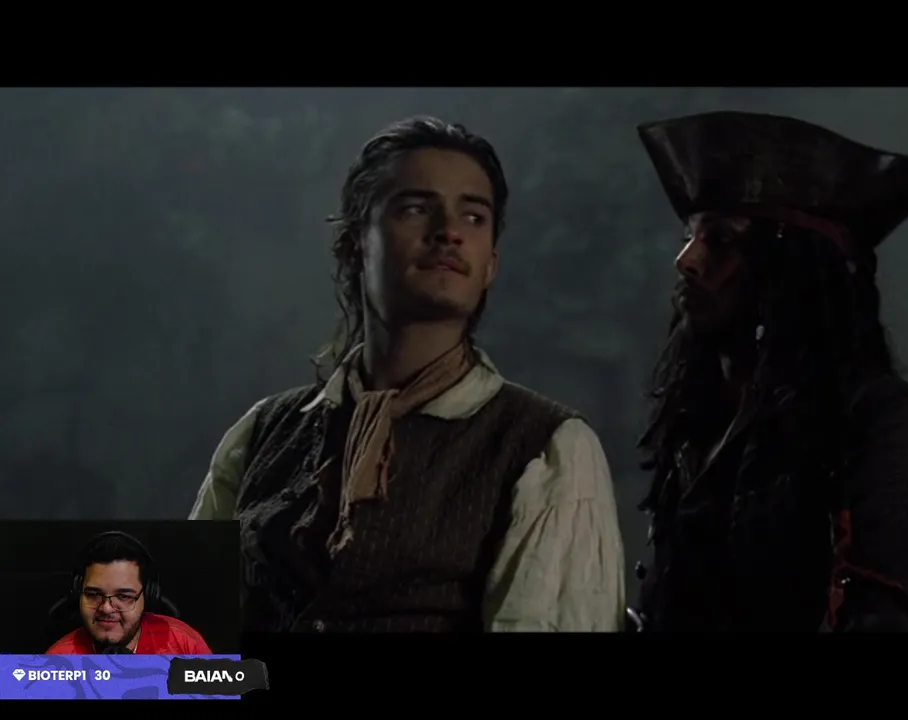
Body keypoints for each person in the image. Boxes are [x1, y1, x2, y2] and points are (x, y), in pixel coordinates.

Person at [189, 116, 625, 633]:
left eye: (474, 216)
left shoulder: (543, 448)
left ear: (490, 263)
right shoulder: (262, 433)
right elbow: (179, 643)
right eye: (416, 208)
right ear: (354, 245)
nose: (449, 232)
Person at [631, 111, 908, 632]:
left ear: (791, 273)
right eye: (690, 236)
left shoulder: (887, 428)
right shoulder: (700, 427)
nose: (686, 260)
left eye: (721, 240)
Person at [47, 531, 212, 654]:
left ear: (147, 596)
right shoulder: (57, 662)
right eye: (93, 595)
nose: (106, 608)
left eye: (123, 596)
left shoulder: (185, 644)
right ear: (78, 594)